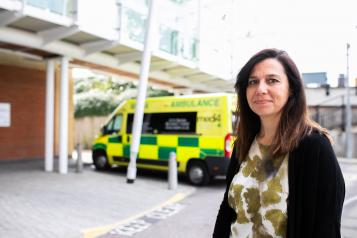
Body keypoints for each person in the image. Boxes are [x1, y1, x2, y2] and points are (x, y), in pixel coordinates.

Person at [213, 48, 345, 238]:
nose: (260, 89)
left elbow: (327, 226)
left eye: (272, 80)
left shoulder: (315, 147)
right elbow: (227, 209)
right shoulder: (243, 144)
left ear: (291, 88)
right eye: (253, 82)